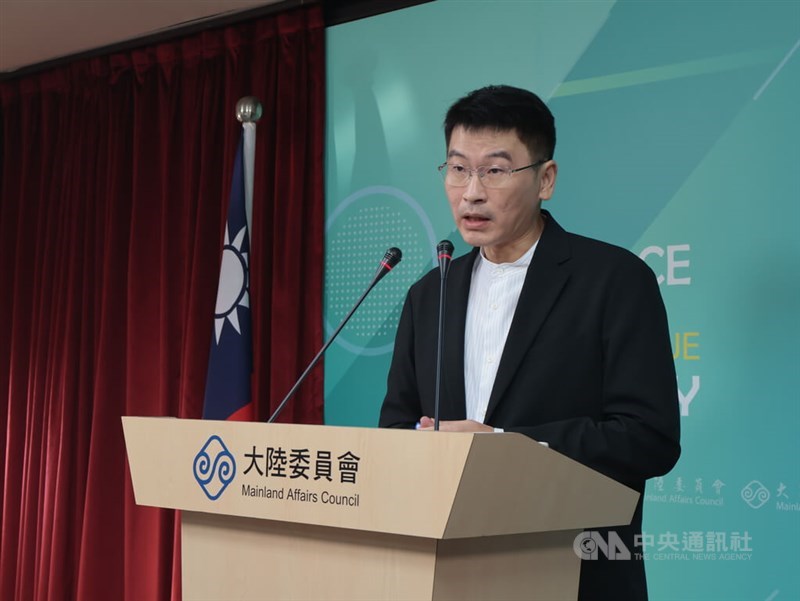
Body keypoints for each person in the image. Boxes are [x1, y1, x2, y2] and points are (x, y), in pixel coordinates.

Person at [379, 85, 681, 600]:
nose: (471, 192)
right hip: (447, 576)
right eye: (457, 169)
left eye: (495, 171)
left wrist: (502, 447)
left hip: (574, 573)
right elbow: (395, 427)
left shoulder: (613, 280)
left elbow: (647, 438)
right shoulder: (431, 293)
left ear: (546, 179)